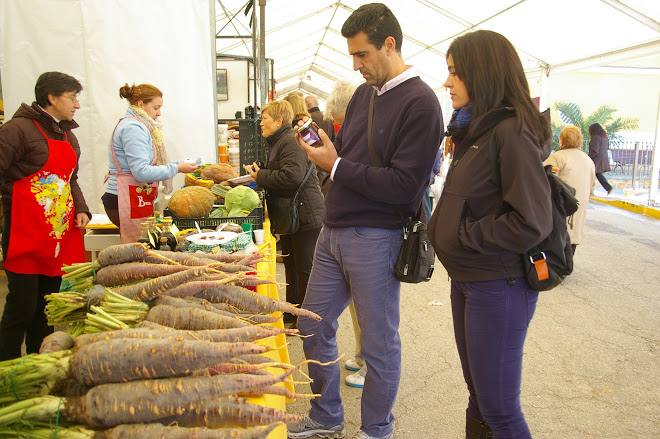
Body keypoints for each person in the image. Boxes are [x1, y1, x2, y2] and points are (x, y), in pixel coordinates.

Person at [288, 4, 443, 439]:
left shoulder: (422, 102)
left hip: (377, 236)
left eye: (362, 55)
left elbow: (404, 186)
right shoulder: (362, 95)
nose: (356, 66)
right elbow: (348, 154)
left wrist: (335, 166)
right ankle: (327, 416)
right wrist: (322, 148)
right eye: (353, 56)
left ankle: (376, 429)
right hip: (333, 230)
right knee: (310, 323)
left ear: (389, 44)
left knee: (378, 343)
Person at [428, 30, 553, 439]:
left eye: (454, 73)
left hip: (498, 284)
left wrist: (464, 235)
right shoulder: (476, 129)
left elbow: (531, 221)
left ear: (481, 73)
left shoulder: (510, 131)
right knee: (480, 396)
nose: (447, 82)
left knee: (499, 408)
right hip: (470, 281)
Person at [0, 72, 90, 360]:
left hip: (56, 234)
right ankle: (7, 365)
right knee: (21, 307)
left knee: (46, 306)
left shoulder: (68, 134)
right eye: (72, 97)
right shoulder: (16, 130)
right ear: (51, 98)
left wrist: (81, 208)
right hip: (24, 232)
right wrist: (17, 198)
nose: (77, 105)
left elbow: (70, 179)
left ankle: (39, 363)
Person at [243, 100, 324, 328]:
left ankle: (309, 320)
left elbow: (292, 177)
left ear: (279, 120)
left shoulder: (289, 141)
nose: (261, 123)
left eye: (265, 118)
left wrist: (261, 177)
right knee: (292, 266)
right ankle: (292, 313)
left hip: (304, 215)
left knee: (305, 270)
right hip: (294, 216)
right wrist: (263, 171)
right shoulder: (280, 141)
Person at [101, 83, 197, 242]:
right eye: (156, 107)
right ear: (140, 104)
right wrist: (177, 168)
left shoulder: (138, 125)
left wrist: (176, 164)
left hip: (132, 196)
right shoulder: (133, 128)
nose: (159, 113)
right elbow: (141, 172)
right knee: (139, 248)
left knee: (143, 246)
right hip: (123, 200)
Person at [544, 125, 596, 255]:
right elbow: (592, 185)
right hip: (579, 204)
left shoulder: (557, 157)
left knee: (558, 235)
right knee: (574, 235)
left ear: (562, 140)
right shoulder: (588, 160)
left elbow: (545, 179)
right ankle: (568, 262)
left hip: (560, 206)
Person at [588, 122, 613, 194]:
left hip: (596, 159)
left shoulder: (596, 137)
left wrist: (588, 158)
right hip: (603, 158)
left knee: (593, 173)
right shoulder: (604, 137)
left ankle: (590, 190)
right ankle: (607, 188)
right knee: (597, 173)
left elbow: (595, 149)